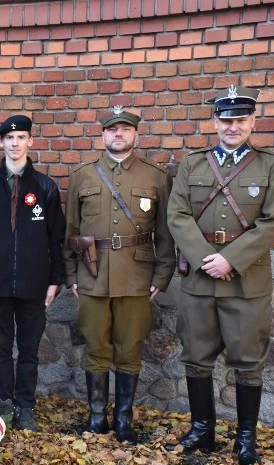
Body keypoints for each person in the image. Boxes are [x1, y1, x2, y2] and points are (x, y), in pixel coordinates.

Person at [165, 86, 274, 465]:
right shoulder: (193, 164)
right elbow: (178, 215)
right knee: (196, 356)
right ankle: (202, 429)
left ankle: (245, 438)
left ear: (252, 121)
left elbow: (273, 221)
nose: (232, 126)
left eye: (240, 120)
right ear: (214, 122)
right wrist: (206, 258)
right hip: (201, 277)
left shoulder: (271, 164)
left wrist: (230, 259)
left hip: (245, 278)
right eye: (225, 120)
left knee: (248, 359)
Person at [63, 108, 175, 443]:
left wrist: (163, 273)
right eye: (112, 130)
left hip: (137, 275)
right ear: (103, 135)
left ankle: (123, 420)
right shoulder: (82, 175)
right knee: (96, 346)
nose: (118, 135)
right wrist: (71, 274)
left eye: (125, 129)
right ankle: (96, 417)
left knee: (130, 348)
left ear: (135, 134)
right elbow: (70, 230)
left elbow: (166, 232)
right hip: (92, 274)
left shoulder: (155, 177)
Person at [0, 115, 66, 431]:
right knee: (0, 349)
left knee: (28, 350)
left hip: (33, 285)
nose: (15, 143)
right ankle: (5, 403)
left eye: (21, 137)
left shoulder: (45, 187)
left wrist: (55, 280)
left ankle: (25, 405)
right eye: (9, 139)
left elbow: (57, 238)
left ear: (30, 142)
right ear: (1, 143)